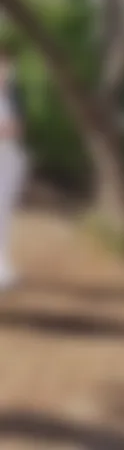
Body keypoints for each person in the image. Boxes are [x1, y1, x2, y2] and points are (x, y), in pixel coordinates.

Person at [0, 44, 24, 291]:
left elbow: (16, 129)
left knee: (2, 214)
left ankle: (2, 266)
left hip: (7, 159)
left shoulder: (12, 97)